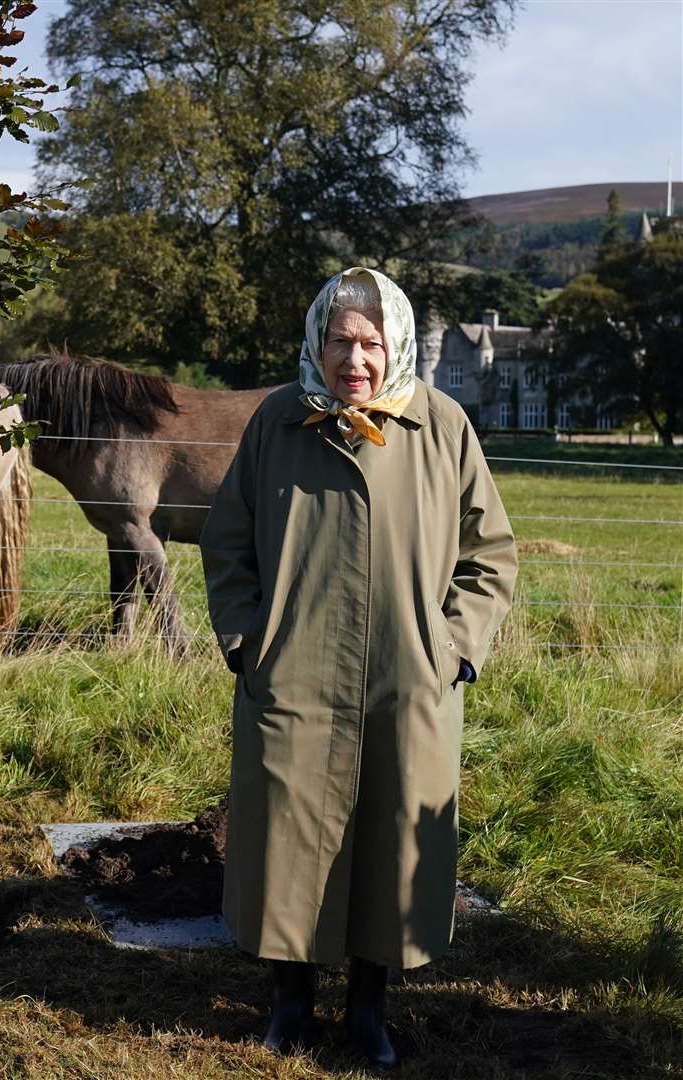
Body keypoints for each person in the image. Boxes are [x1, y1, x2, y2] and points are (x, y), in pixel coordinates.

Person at [199, 267, 517, 1068]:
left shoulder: (440, 426)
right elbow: (227, 543)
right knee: (284, 837)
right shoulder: (278, 420)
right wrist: (246, 643)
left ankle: (367, 1013)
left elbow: (490, 556)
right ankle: (289, 1004)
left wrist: (452, 650)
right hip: (291, 675)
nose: (355, 359)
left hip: (406, 681)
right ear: (316, 341)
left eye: (370, 343)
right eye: (340, 340)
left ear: (396, 345)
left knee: (389, 843)